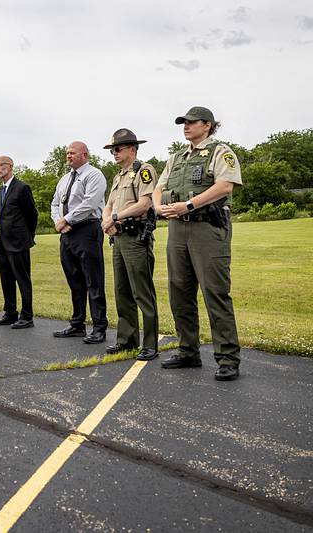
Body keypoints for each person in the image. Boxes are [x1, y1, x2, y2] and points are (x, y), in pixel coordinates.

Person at [153, 106, 242, 381]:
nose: (186, 126)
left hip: (207, 227)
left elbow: (226, 185)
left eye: (191, 122)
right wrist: (158, 208)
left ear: (208, 125)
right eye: (184, 122)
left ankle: (227, 358)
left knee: (215, 292)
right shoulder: (177, 157)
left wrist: (188, 204)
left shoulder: (219, 151)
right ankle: (188, 351)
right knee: (179, 292)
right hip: (178, 229)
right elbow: (159, 187)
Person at [101, 129, 159, 361]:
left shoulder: (144, 171)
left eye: (118, 149)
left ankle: (150, 344)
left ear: (133, 149)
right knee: (122, 291)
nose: (114, 153)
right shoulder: (118, 176)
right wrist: (107, 220)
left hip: (136, 237)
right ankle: (127, 340)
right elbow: (109, 204)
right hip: (119, 237)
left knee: (142, 292)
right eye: (112, 149)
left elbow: (145, 203)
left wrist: (115, 218)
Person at [51, 141, 108, 344]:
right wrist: (59, 222)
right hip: (66, 233)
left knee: (93, 280)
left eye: (72, 153)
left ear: (84, 154)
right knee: (74, 280)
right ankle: (77, 324)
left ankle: (100, 327)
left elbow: (90, 203)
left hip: (87, 230)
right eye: (67, 152)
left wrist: (67, 219)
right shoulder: (64, 179)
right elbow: (55, 203)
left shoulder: (94, 175)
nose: (68, 156)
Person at [0, 156, 38, 329]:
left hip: (18, 242)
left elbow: (32, 215)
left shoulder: (21, 188)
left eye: (1, 165)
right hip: (3, 243)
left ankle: (27, 316)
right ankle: (10, 313)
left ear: (11, 167)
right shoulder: (0, 191)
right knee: (6, 279)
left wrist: (28, 236)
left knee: (22, 279)